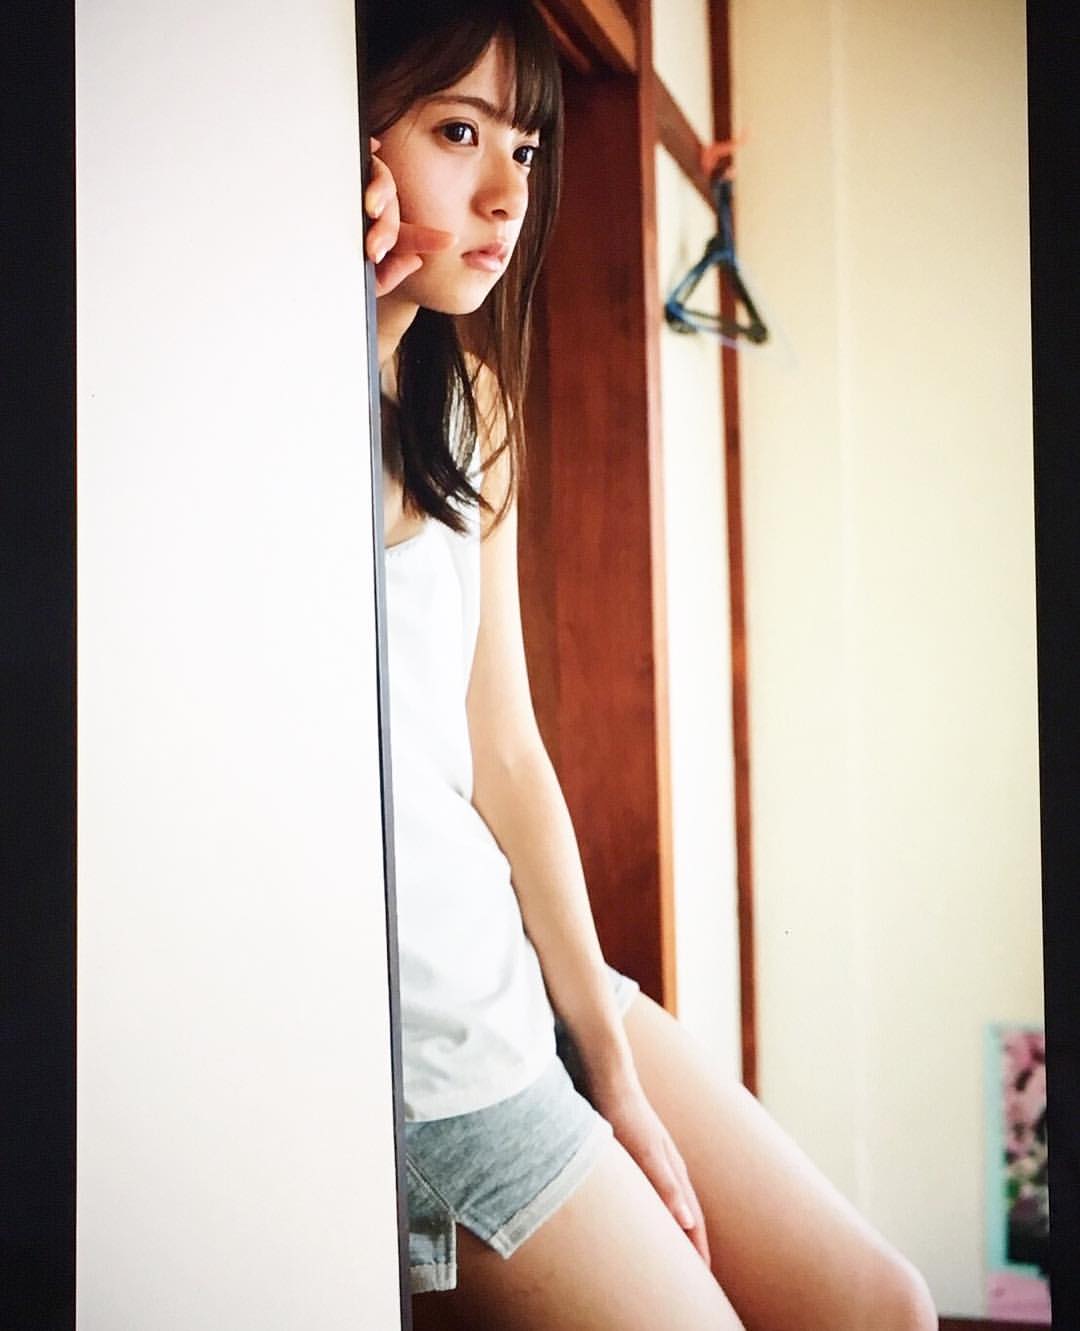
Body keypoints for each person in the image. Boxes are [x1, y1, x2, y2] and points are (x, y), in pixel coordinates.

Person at [362, 4, 936, 1328]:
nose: (509, 197)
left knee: (883, 1305)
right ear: (357, 150)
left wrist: (609, 1056)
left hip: (515, 974)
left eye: (524, 148)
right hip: (434, 1061)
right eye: (458, 134)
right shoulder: (267, 394)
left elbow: (506, 753)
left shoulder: (472, 404)